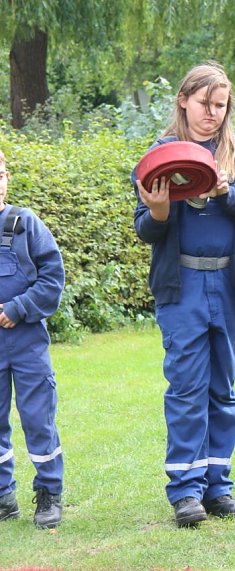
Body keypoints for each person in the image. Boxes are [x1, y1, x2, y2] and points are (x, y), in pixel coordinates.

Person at [132, 63, 235, 527]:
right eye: (204, 104)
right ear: (183, 100)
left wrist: (227, 192)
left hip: (231, 285)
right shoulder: (161, 155)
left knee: (224, 388)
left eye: (221, 106)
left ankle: (218, 487)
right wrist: (158, 213)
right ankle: (185, 491)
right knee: (186, 387)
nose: (213, 114)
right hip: (182, 287)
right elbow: (144, 228)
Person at [0, 149, 65, 529]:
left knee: (39, 419)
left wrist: (18, 308)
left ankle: (49, 493)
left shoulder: (25, 224)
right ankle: (3, 496)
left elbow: (52, 279)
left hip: (26, 342)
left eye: (1, 173)